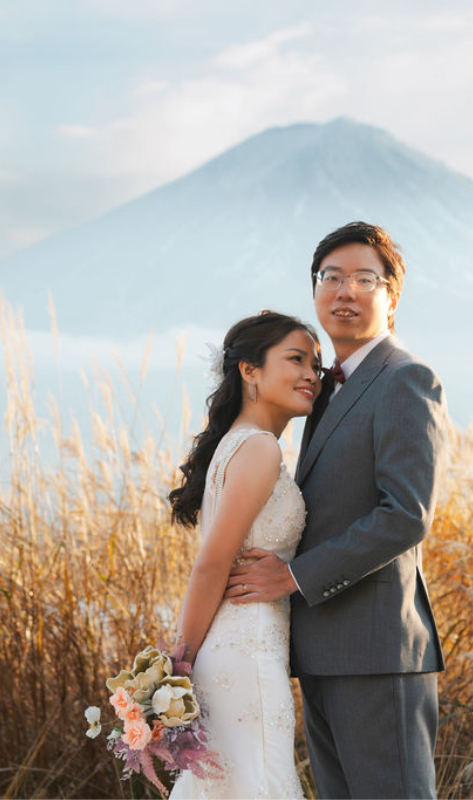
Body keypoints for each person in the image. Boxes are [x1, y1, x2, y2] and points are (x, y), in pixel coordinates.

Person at [227, 222, 448, 798]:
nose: (343, 290)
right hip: (321, 649)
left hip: (378, 653)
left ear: (391, 296)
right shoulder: (325, 387)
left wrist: (293, 575)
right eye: (331, 277)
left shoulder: (405, 379)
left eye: (362, 279)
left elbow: (405, 513)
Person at [168, 311, 322, 800]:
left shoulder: (238, 445)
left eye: (316, 365)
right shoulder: (259, 449)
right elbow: (212, 563)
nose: (311, 376)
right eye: (296, 360)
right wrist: (177, 663)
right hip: (246, 658)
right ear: (249, 370)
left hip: (239, 654)